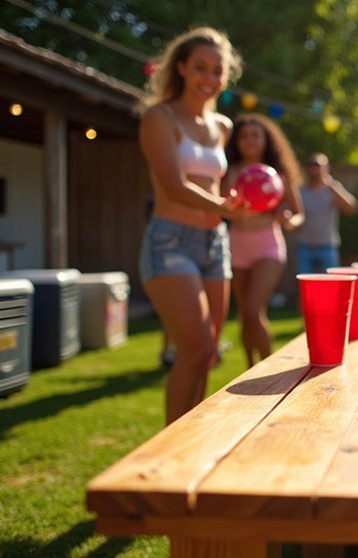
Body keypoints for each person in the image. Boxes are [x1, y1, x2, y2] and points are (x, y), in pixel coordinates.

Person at [137, 27, 246, 425]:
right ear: (181, 67)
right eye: (201, 67)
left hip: (214, 242)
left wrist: (238, 202)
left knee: (208, 353)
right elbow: (173, 186)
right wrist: (223, 205)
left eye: (218, 70)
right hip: (171, 242)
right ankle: (170, 453)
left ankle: (189, 443)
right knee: (195, 348)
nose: (210, 78)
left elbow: (216, 183)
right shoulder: (159, 117)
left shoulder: (223, 126)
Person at [223, 114, 305, 367]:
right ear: (236, 142)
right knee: (245, 315)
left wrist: (288, 219)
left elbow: (299, 213)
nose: (249, 141)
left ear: (265, 141)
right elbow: (219, 208)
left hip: (268, 245)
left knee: (252, 308)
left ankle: (266, 366)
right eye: (244, 136)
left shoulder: (277, 175)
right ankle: (249, 367)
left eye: (255, 136)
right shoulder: (229, 173)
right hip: (236, 244)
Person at [294, 154, 358, 274]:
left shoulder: (333, 189)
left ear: (326, 168)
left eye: (318, 165)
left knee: (330, 283)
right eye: (312, 165)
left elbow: (352, 208)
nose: (315, 169)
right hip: (304, 246)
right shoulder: (300, 192)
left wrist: (333, 187)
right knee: (305, 285)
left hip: (327, 246)